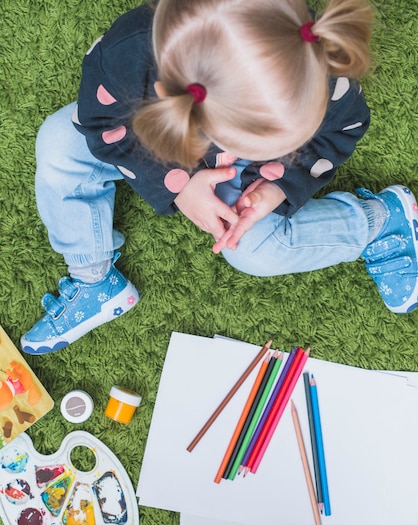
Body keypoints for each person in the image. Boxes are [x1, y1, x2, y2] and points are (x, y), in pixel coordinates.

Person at [21, 0, 418, 355]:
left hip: (243, 173)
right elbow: (102, 123)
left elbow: (343, 129)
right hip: (144, 138)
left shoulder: (316, 67)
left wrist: (280, 184)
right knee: (59, 143)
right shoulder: (127, 55)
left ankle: (380, 220)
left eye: (287, 142)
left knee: (256, 251)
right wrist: (178, 186)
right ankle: (94, 279)